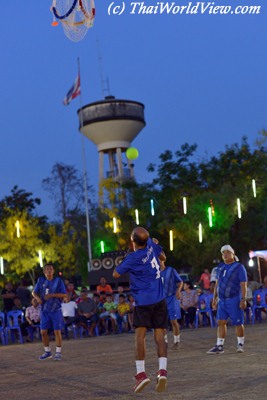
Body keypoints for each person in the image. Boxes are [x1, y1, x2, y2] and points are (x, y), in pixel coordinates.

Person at [113, 227, 168, 394]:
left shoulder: (132, 258)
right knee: (160, 336)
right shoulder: (151, 244)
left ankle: (141, 374)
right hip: (160, 299)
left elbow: (116, 274)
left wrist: (124, 262)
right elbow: (163, 257)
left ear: (133, 241)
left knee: (140, 337)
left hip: (143, 302)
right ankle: (162, 371)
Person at [207, 245, 247, 355]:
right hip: (222, 300)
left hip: (234, 299)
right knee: (221, 322)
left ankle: (240, 344)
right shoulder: (220, 267)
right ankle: (219, 346)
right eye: (223, 253)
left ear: (233, 254)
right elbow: (217, 284)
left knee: (238, 322)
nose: (225, 254)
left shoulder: (239, 267)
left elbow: (243, 284)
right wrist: (214, 298)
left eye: (227, 252)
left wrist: (243, 299)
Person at [33, 263, 67, 361]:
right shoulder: (41, 280)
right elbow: (34, 292)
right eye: (47, 269)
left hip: (55, 309)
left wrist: (52, 295)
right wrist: (38, 298)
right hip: (44, 310)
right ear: (44, 272)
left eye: (51, 269)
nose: (49, 271)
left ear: (53, 271)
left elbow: (64, 294)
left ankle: (58, 352)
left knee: (57, 331)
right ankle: (47, 351)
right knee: (43, 332)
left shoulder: (58, 281)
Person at [161, 261, 183, 349]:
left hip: (172, 297)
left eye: (159, 260)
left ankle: (176, 341)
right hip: (161, 300)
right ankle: (164, 342)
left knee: (173, 321)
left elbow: (180, 282)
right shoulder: (155, 272)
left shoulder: (170, 270)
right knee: (162, 322)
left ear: (163, 260)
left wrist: (178, 290)